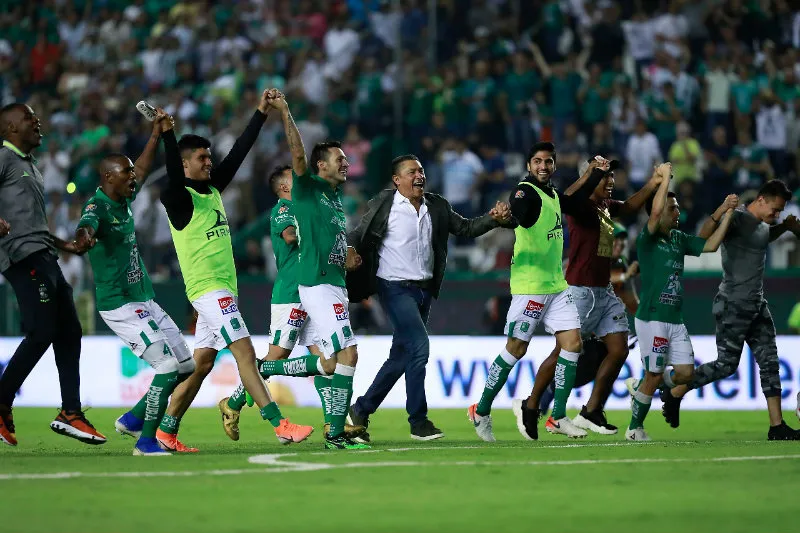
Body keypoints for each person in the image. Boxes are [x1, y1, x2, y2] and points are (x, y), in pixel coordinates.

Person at [157, 90, 314, 452]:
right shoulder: (178, 199)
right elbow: (170, 169)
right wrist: (167, 134)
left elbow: (239, 152)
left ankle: (166, 431)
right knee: (245, 353)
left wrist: (260, 112)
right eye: (201, 158)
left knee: (202, 363)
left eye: (209, 157)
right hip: (210, 289)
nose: (209, 162)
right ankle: (279, 424)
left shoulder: (210, 190)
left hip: (222, 288)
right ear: (184, 165)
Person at [345, 154, 513, 442]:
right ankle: (418, 421)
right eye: (411, 172)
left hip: (423, 290)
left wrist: (492, 219)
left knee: (400, 357)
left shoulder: (436, 205)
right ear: (397, 180)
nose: (419, 175)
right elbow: (358, 237)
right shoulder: (383, 205)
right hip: (393, 287)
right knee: (419, 347)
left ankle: (360, 411)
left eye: (421, 170)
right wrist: (349, 254)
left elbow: (466, 229)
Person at [511, 157, 663, 439]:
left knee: (618, 348)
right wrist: (592, 175)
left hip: (603, 291)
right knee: (562, 353)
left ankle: (591, 411)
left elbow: (629, 207)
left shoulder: (604, 207)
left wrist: (653, 183)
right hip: (579, 291)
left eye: (612, 177)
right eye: (605, 177)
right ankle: (530, 405)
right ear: (591, 178)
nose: (611, 182)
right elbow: (568, 197)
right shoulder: (579, 207)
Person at [467, 141, 609, 442]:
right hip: (530, 287)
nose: (543, 166)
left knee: (572, 344)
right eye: (537, 161)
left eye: (548, 161)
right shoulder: (525, 192)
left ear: (554, 165)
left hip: (556, 285)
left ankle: (557, 416)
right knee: (516, 350)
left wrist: (595, 173)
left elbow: (575, 194)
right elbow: (517, 215)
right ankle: (480, 409)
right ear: (529, 165)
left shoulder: (554, 194)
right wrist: (506, 219)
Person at [75, 110, 196, 456]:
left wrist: (156, 135)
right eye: (126, 173)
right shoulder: (97, 208)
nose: (134, 177)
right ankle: (145, 441)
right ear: (108, 178)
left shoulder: (122, 197)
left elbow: (142, 168)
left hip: (144, 298)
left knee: (185, 366)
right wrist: (83, 237)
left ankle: (132, 418)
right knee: (167, 366)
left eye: (131, 171)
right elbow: (86, 226)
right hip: (120, 304)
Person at [219, 165, 363, 440]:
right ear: (284, 187)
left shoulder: (308, 208)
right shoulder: (283, 210)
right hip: (291, 294)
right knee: (277, 356)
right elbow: (289, 236)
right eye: (293, 180)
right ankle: (233, 402)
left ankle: (336, 421)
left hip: (315, 291)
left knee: (326, 359)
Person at [267, 93, 370, 450]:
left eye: (346, 159)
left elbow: (331, 243)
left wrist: (348, 255)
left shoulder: (334, 200)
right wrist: (285, 110)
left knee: (329, 363)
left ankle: (269, 369)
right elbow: (297, 154)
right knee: (349, 355)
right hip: (317, 287)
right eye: (339, 159)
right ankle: (335, 434)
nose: (346, 163)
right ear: (320, 166)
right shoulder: (308, 189)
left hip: (334, 283)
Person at [659, 180, 800, 440]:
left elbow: (762, 238)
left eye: (780, 211)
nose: (777, 214)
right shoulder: (736, 218)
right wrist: (721, 210)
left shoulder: (761, 226)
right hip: (733, 304)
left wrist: (786, 227)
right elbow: (702, 237)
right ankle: (674, 389)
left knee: (770, 364)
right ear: (761, 200)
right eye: (775, 209)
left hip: (757, 305)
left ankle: (777, 426)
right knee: (726, 366)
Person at [0, 103, 105, 447]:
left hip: (43, 254)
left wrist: (66, 245)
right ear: (11, 127)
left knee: (69, 330)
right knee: (42, 329)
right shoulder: (3, 157)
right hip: (21, 256)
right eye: (29, 118)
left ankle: (70, 412)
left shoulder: (32, 166)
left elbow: (32, 224)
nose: (37, 121)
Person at [624, 168, 737, 441]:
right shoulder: (647, 239)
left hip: (675, 318)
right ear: (659, 211)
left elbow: (709, 245)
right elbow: (653, 213)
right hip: (652, 317)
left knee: (686, 374)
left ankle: (640, 386)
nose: (677, 212)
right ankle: (634, 428)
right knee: (655, 375)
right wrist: (663, 181)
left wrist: (727, 213)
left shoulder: (678, 239)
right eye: (671, 208)